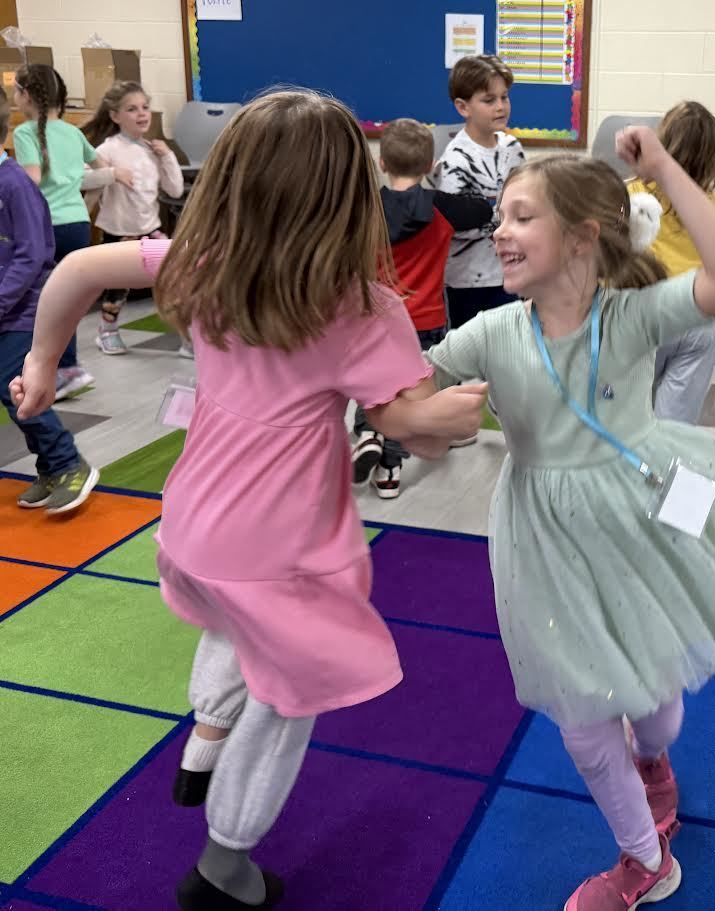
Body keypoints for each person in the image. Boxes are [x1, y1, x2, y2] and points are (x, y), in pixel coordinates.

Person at [11, 89, 488, 911]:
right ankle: (224, 864)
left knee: (238, 621)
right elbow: (404, 422)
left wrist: (45, 365)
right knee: (288, 690)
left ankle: (203, 740)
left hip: (193, 522)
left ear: (230, 178)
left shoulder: (200, 265)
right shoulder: (362, 308)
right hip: (286, 544)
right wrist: (447, 417)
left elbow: (78, 267)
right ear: (350, 194)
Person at [422, 129, 715, 909]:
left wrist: (664, 171)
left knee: (651, 694)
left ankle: (652, 759)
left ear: (582, 237)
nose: (498, 232)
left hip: (637, 511)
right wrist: (413, 416)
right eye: (499, 216)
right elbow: (405, 383)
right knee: (582, 716)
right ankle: (645, 861)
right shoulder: (491, 331)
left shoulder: (630, 317)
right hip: (542, 531)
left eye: (519, 217)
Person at [351, 117, 492, 497]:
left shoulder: (366, 210)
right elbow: (481, 210)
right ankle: (389, 471)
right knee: (409, 397)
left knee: (375, 385)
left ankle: (367, 433)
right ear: (430, 166)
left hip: (374, 319)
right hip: (426, 320)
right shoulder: (442, 207)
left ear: (382, 163)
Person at [0, 86, 97, 513]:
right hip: (7, 310)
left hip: (25, 309)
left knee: (21, 392)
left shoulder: (14, 184)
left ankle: (69, 462)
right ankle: (49, 466)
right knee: (8, 391)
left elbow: (33, 253)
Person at [628, 100, 715, 424]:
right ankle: (666, 471)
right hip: (697, 320)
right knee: (675, 425)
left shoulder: (630, 194)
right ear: (712, 160)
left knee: (628, 414)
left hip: (644, 321)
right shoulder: (707, 206)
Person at [12, 63, 121, 399]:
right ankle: (67, 366)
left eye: (16, 91)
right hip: (76, 224)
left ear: (26, 95)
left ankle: (52, 368)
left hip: (45, 226)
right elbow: (103, 172)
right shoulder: (73, 132)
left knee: (42, 301)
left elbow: (30, 179)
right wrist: (82, 200)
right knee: (64, 298)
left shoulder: (25, 132)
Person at [81, 80, 184, 355]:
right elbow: (81, 179)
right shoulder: (107, 150)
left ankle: (187, 337)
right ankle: (107, 331)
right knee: (118, 287)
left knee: (177, 279)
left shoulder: (152, 149)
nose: (141, 114)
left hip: (151, 229)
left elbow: (174, 189)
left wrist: (168, 156)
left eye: (145, 107)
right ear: (115, 116)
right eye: (132, 109)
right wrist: (111, 174)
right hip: (119, 232)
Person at [433, 54, 524, 330]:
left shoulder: (512, 148)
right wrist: (502, 216)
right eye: (489, 100)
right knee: (473, 362)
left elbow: (524, 203)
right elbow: (457, 225)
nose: (501, 106)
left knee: (509, 352)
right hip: (468, 280)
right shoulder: (456, 159)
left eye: (504, 97)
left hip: (508, 272)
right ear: (463, 107)